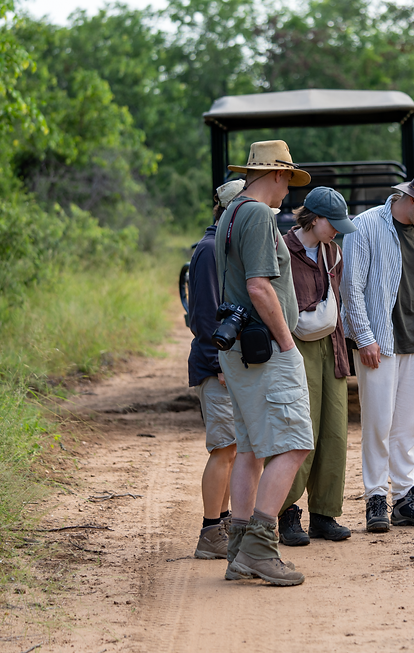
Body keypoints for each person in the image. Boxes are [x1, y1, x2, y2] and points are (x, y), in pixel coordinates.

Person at [214, 140, 314, 586]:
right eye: (288, 181)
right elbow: (258, 287)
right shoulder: (255, 214)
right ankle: (259, 548)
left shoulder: (230, 212)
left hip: (240, 351)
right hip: (266, 351)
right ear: (276, 174)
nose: (287, 192)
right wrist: (287, 344)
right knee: (294, 444)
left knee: (251, 449)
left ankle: (238, 547)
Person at [341, 170, 414, 533]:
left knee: (409, 424)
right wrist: (364, 336)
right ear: (413, 201)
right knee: (377, 421)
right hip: (379, 340)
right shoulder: (365, 226)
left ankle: (405, 498)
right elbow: (351, 287)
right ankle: (375, 497)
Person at [275, 187, 357, 546]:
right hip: (295, 348)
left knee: (334, 432)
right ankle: (287, 513)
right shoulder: (282, 249)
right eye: (332, 224)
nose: (337, 230)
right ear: (314, 218)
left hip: (331, 346)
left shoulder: (332, 252)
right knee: (297, 430)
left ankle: (325, 513)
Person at [189, 180, 244, 560]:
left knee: (233, 449)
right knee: (223, 449)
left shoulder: (222, 247)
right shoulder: (210, 250)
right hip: (216, 363)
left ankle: (221, 523)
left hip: (225, 362)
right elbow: (205, 316)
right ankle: (210, 531)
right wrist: (218, 361)